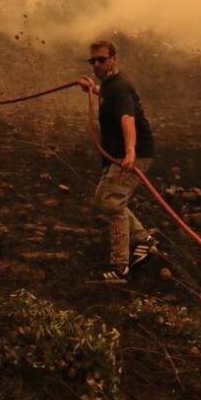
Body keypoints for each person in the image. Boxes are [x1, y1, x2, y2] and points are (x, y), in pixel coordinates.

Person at [77, 40, 158, 284]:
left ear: (114, 59)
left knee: (112, 203)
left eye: (102, 59)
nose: (97, 64)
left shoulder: (120, 87)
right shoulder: (110, 85)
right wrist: (93, 89)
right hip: (120, 154)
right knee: (105, 200)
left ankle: (120, 269)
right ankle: (144, 240)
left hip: (134, 154)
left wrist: (130, 151)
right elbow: (112, 100)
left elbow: (127, 117)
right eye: (94, 61)